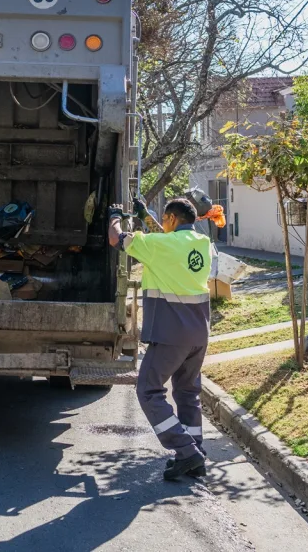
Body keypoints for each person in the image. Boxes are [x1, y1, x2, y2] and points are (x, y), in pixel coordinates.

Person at [108, 197, 213, 480]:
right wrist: (147, 217)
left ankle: (185, 450)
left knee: (148, 390)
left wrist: (114, 216)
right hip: (198, 333)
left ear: (171, 219)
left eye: (164, 221)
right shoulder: (202, 244)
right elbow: (168, 239)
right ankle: (195, 455)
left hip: (171, 332)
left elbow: (117, 239)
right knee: (187, 393)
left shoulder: (160, 246)